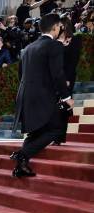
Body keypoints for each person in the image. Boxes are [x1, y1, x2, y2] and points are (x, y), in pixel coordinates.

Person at [11, 13, 73, 177]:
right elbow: (57, 74)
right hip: (42, 97)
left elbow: (20, 75)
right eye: (60, 26)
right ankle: (22, 155)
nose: (61, 29)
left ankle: (21, 165)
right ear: (54, 28)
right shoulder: (55, 46)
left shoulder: (28, 48)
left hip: (25, 96)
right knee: (56, 128)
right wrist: (67, 97)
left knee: (36, 132)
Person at [55, 14, 82, 145]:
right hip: (55, 78)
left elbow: (73, 62)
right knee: (54, 105)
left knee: (64, 105)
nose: (59, 27)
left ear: (66, 25)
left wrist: (67, 79)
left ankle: (60, 137)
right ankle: (53, 134)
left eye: (61, 25)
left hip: (67, 77)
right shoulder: (55, 41)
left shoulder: (76, 39)